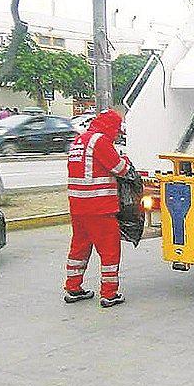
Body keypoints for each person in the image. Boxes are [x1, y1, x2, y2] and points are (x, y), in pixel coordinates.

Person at [63, 109, 130, 308]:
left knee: (79, 248)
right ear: (110, 127)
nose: (117, 134)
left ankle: (73, 287)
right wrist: (125, 160)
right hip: (98, 206)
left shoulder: (79, 141)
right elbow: (120, 169)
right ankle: (109, 294)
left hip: (78, 206)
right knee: (109, 250)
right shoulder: (100, 141)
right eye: (117, 129)